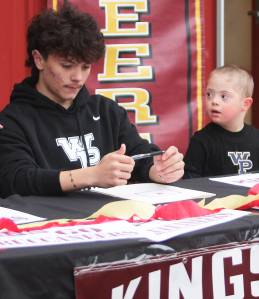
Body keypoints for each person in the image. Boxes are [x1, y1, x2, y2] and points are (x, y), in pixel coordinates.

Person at [0, 3, 184, 197]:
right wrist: (91, 176)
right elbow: (14, 180)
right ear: (39, 60)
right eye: (67, 65)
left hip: (112, 223)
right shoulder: (12, 121)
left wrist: (158, 170)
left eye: (86, 67)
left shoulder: (106, 111)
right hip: (50, 225)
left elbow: (139, 155)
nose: (78, 77)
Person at [184, 64, 259, 178]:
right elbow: (189, 181)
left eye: (223, 96)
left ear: (245, 104)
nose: (214, 101)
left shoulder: (256, 138)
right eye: (209, 94)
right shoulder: (201, 140)